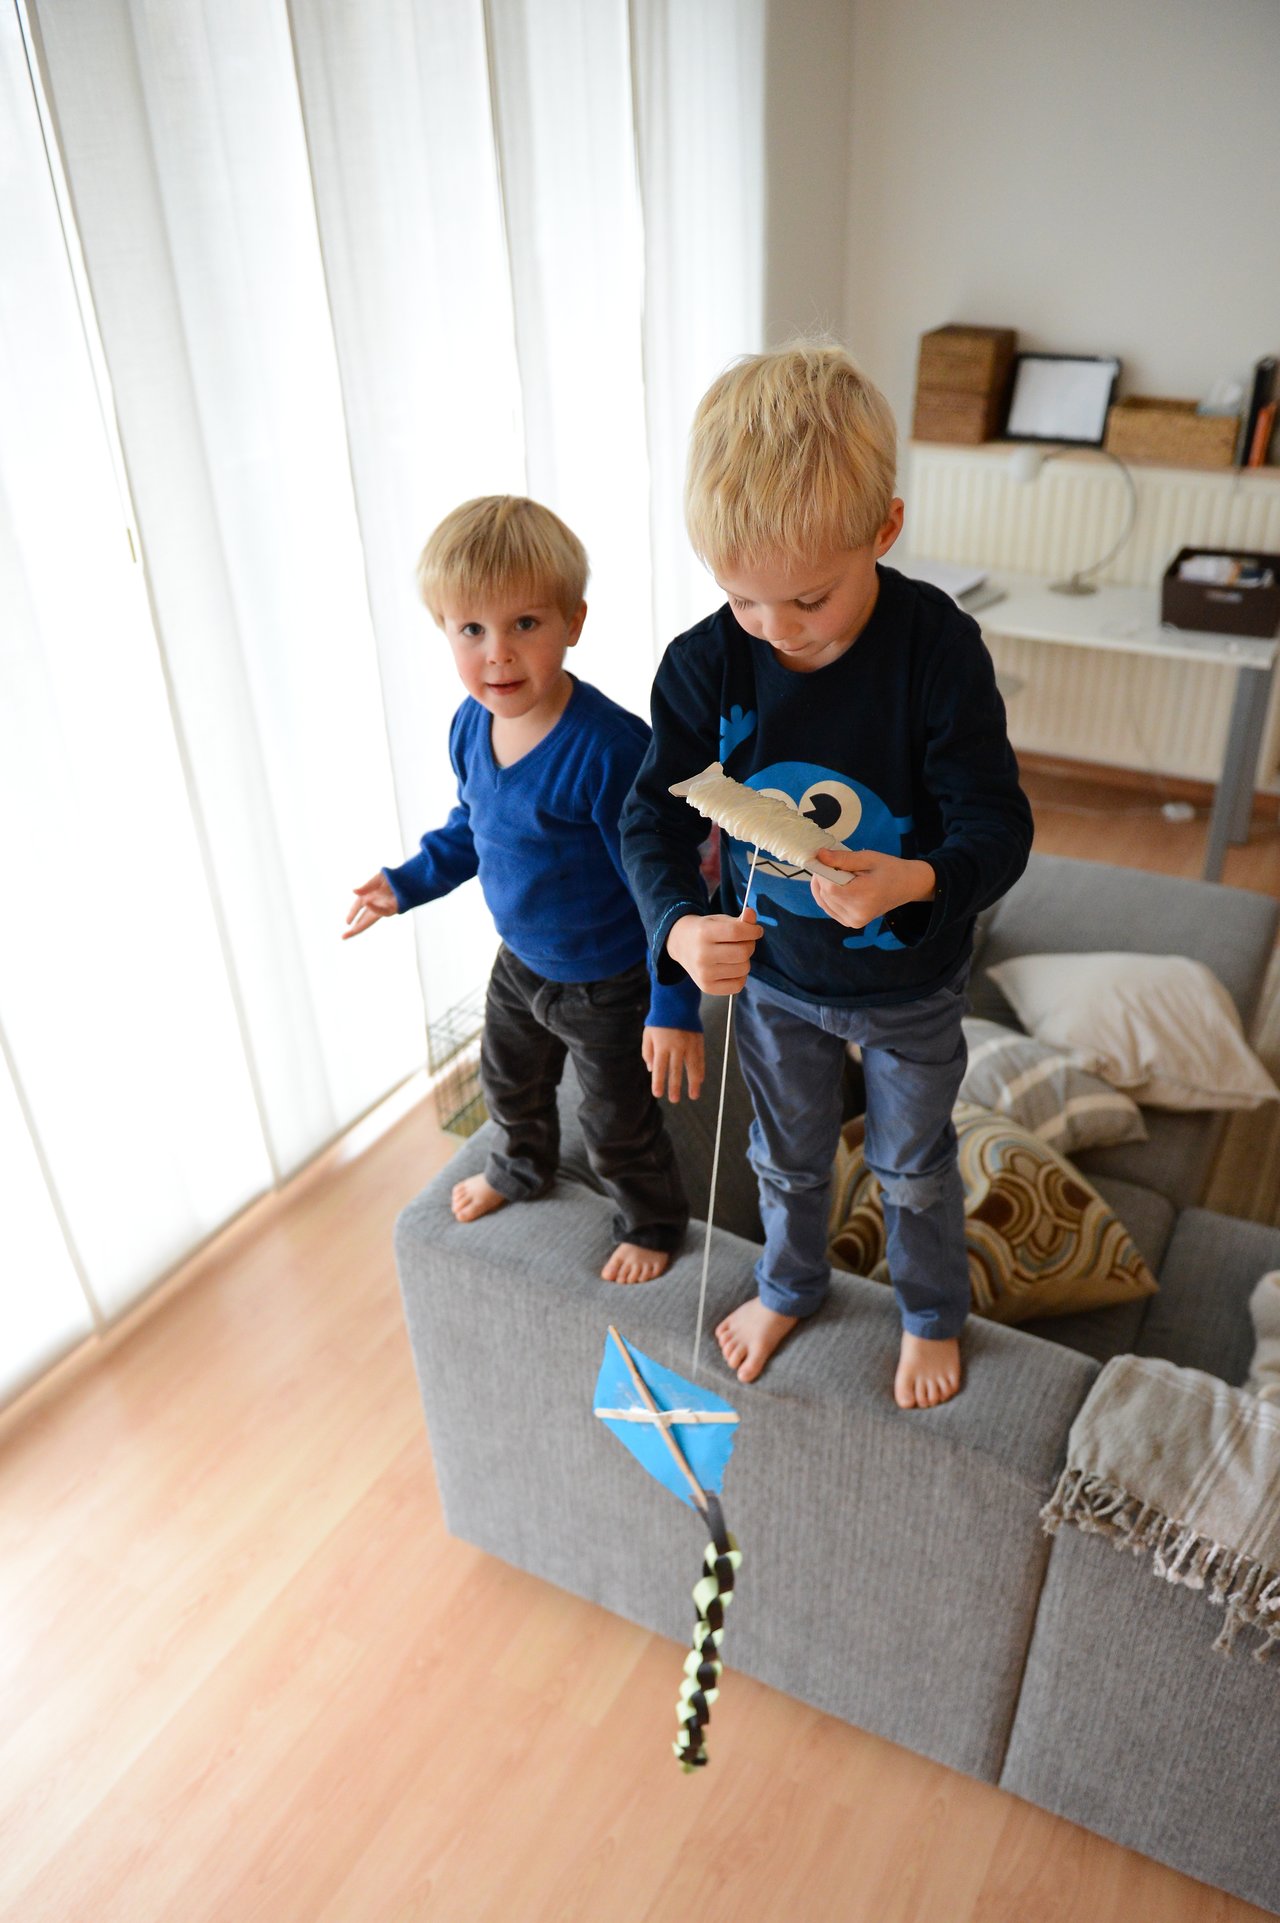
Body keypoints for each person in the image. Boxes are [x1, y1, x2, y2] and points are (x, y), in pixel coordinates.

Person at [620, 342, 1033, 1402]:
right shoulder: (703, 661)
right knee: (785, 1158)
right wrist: (675, 926)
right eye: (744, 601)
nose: (776, 633)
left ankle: (931, 1311)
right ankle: (789, 1281)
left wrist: (911, 882)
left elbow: (999, 827)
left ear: (883, 530)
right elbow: (646, 821)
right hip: (777, 986)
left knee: (909, 1165)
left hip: (908, 982)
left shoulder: (937, 649)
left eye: (806, 599)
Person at [346, 494, 704, 1284]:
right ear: (443, 629)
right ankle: (520, 1167)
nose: (497, 654)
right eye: (471, 629)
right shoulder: (470, 726)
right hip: (522, 962)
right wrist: (405, 883)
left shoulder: (609, 751)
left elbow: (663, 883)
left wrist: (672, 1005)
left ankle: (651, 1222)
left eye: (525, 625)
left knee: (614, 1119)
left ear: (574, 622)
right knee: (505, 1080)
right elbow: (473, 829)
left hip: (610, 978)